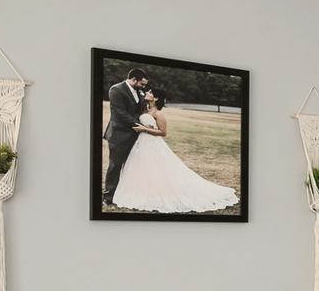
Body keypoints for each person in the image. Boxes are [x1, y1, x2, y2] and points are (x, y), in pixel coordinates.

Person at [110, 92, 240, 213]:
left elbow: (163, 132)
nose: (147, 93)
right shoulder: (145, 110)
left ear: (155, 98)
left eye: (150, 92)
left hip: (152, 143)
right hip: (141, 143)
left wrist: (144, 129)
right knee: (143, 167)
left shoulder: (158, 113)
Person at [100, 68, 149, 205]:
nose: (143, 87)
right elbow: (120, 113)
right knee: (115, 166)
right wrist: (141, 125)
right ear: (134, 79)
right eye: (142, 84)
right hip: (119, 135)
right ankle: (108, 197)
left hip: (134, 136)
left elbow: (141, 109)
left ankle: (124, 195)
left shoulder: (139, 92)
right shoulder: (116, 90)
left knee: (130, 166)